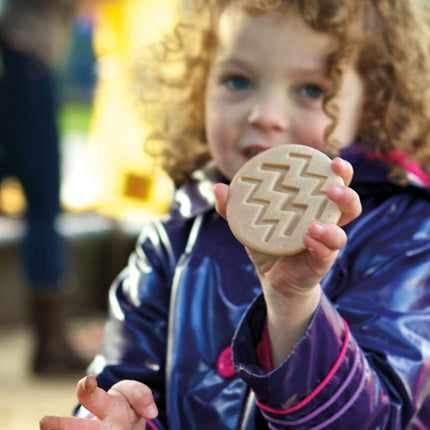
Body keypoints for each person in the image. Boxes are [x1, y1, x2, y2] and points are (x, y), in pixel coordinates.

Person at [40, 0, 430, 428]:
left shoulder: (406, 233)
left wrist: (294, 303)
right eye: (238, 79)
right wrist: (123, 418)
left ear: (373, 105)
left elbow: (379, 417)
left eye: (311, 90)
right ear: (198, 84)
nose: (264, 115)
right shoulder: (171, 241)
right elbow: (123, 381)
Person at [0, 0, 88, 375]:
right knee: (43, 206)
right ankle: (51, 345)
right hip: (25, 60)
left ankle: (51, 343)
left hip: (17, 61)